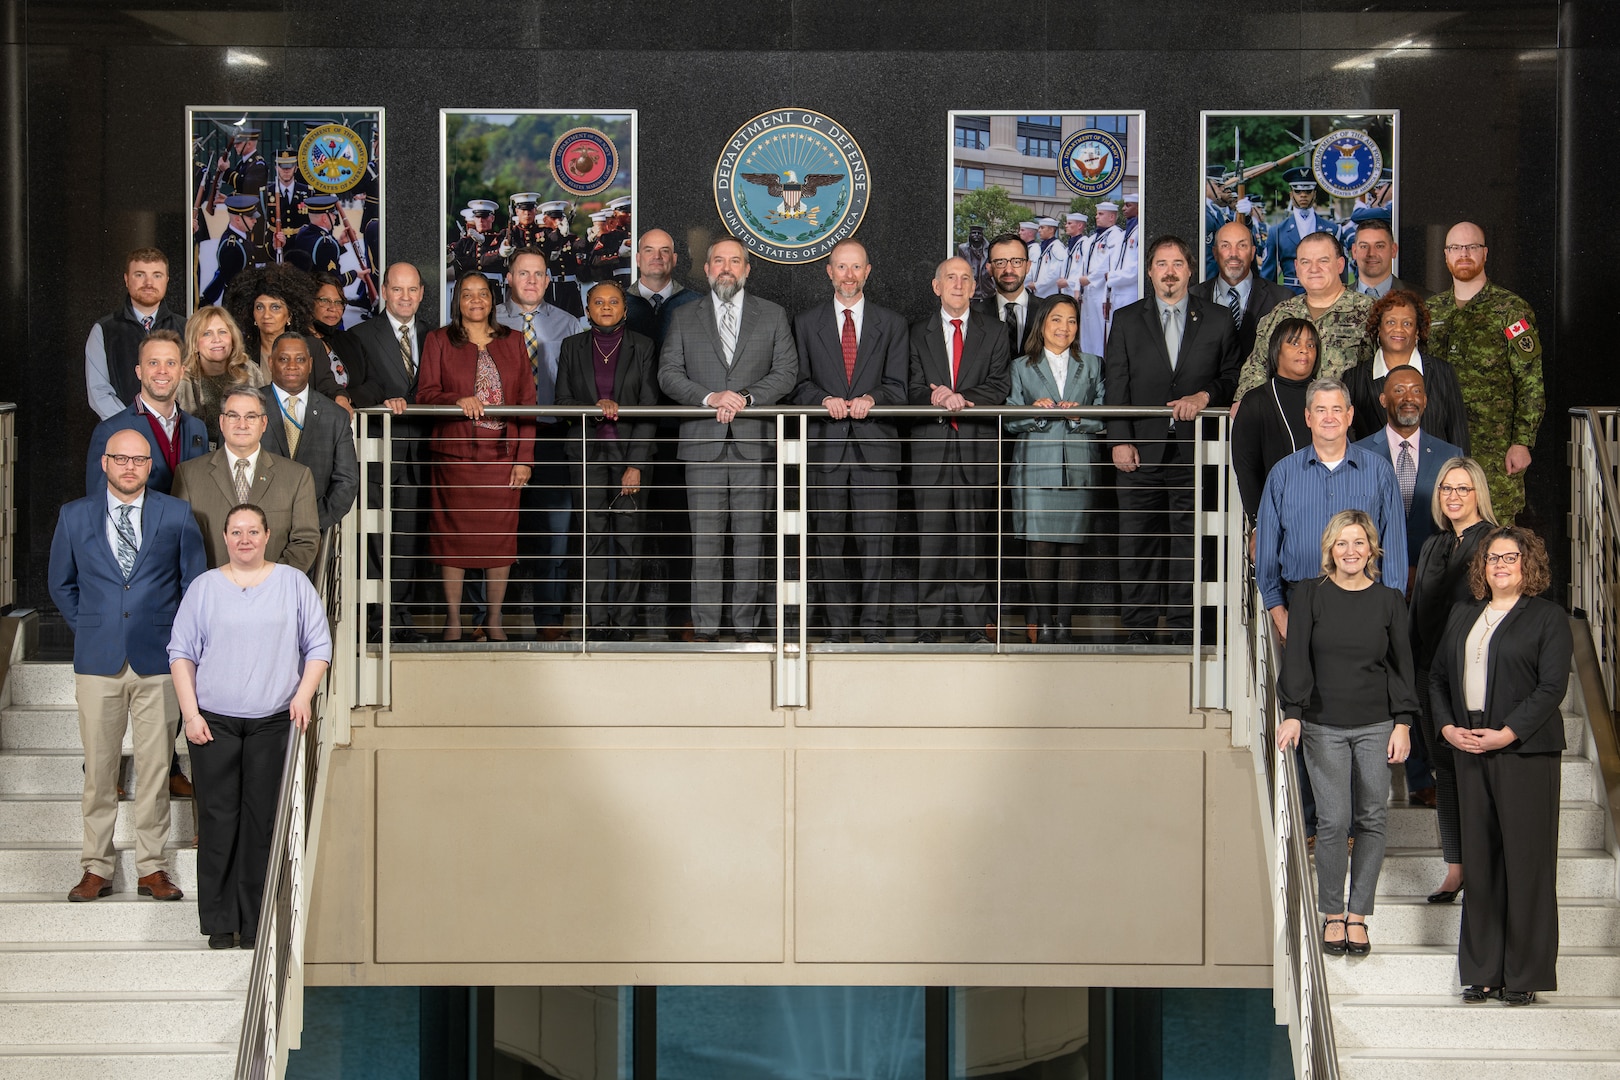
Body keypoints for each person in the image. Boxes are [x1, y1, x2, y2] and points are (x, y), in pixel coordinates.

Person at [49, 429, 207, 904]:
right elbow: (62, 584)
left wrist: (176, 641)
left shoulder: (177, 514)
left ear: (150, 466)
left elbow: (193, 585)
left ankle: (151, 868)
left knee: (157, 768)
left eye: (139, 460)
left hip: (158, 660)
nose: (130, 467)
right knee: (100, 771)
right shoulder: (74, 516)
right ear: (104, 463)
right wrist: (93, 627)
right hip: (97, 663)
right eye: (121, 458)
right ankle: (95, 867)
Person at [168, 504, 332, 949]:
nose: (245, 539)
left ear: (268, 535)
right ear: (224, 537)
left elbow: (318, 645)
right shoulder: (204, 588)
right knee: (219, 823)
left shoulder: (293, 584)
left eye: (253, 531)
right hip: (213, 724)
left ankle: (257, 922)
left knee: (261, 824)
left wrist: (303, 695)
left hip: (272, 721)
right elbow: (180, 653)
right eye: (236, 531)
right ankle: (221, 924)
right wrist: (190, 715)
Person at [1430, 526, 1571, 1005]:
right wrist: (1448, 728)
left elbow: (1551, 688)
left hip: (1523, 750)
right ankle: (1483, 970)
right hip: (1469, 747)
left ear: (1527, 564)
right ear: (1482, 566)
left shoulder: (1547, 618)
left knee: (1526, 862)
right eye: (1493, 558)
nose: (1501, 566)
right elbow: (1437, 679)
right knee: (1482, 863)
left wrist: (1508, 732)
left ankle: (1524, 973)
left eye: (1511, 558)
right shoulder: (1463, 613)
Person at [1276, 510, 1416, 957]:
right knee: (1334, 820)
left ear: (1372, 549)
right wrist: (1293, 711)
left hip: (1377, 724)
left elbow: (1401, 668)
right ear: (1329, 550)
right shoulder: (1309, 596)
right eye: (1342, 543)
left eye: (1359, 543)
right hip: (1323, 725)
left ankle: (1359, 915)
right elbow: (1296, 657)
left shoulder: (1390, 600)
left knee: (1373, 817)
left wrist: (1404, 723)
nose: (1350, 551)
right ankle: (1333, 913)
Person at [658, 237, 800, 643]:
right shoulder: (684, 317)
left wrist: (746, 399)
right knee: (705, 544)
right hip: (703, 445)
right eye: (718, 260)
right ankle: (705, 629)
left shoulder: (772, 315)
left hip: (754, 445)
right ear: (705, 269)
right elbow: (668, 373)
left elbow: (786, 371)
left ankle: (745, 628)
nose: (726, 267)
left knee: (751, 542)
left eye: (734, 261)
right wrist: (709, 398)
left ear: (747, 269)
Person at [1103, 235, 1240, 643]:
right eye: (1161, 264)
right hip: (1139, 450)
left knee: (1191, 544)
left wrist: (1204, 396)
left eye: (1177, 263)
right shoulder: (1127, 319)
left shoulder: (1217, 318)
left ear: (1190, 270)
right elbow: (1117, 384)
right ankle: (1139, 627)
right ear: (1149, 272)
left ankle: (1185, 628)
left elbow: (1232, 377)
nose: (1169, 272)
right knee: (1137, 542)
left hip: (1195, 450)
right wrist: (1118, 440)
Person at [789, 239, 910, 643]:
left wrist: (872, 399)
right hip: (825, 451)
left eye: (856, 267)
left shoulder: (891, 323)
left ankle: (874, 629)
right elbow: (798, 384)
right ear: (829, 271)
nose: (849, 275)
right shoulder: (806, 323)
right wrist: (823, 399)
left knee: (877, 547)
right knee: (828, 546)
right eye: (842, 267)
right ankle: (838, 629)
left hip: (876, 451)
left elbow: (899, 386)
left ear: (868, 271)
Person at [415, 272, 537, 642]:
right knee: (454, 540)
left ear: (493, 299)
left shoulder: (513, 341)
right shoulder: (439, 340)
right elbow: (425, 393)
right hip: (455, 459)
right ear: (457, 301)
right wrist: (455, 400)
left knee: (499, 541)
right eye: (467, 294)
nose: (475, 300)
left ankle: (494, 620)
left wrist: (524, 458)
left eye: (482, 293)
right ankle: (454, 621)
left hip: (502, 457)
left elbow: (528, 403)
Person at [906, 256, 1011, 643]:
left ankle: (973, 625)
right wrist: (936, 397)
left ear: (974, 287)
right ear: (937, 286)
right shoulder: (917, 332)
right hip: (930, 453)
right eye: (950, 277)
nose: (958, 284)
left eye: (966, 278)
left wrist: (960, 398)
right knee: (929, 546)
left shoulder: (996, 332)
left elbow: (1000, 387)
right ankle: (928, 625)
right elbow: (910, 387)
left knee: (973, 545)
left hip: (977, 451)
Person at [1255, 377, 1406, 644]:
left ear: (1349, 416)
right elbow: (1267, 559)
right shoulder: (1282, 475)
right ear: (1308, 417)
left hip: (1365, 608)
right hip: (1300, 607)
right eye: (1321, 410)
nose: (1329, 417)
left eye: (1337, 409)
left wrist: (1387, 618)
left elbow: (1393, 553)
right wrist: (1281, 618)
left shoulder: (1379, 471)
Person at [1408, 456, 1498, 901]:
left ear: (1478, 492)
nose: (1454, 497)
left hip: (1474, 674)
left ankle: (1483, 869)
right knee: (1443, 770)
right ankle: (1455, 868)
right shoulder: (1433, 545)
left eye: (1463, 488)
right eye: (1446, 489)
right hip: (1430, 672)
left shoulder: (1495, 544)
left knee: (1474, 771)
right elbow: (1418, 613)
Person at [555, 281, 660, 640]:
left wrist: (637, 465)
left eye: (613, 301)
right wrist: (594, 409)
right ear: (587, 310)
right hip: (586, 456)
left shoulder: (643, 347)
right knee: (592, 541)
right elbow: (562, 402)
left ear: (624, 310)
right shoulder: (572, 347)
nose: (605, 307)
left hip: (629, 455)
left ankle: (625, 623)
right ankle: (595, 622)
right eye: (597, 302)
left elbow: (649, 408)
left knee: (630, 543)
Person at [1426, 222, 1544, 522]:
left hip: (1494, 448)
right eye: (1455, 248)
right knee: (1442, 531)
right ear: (1445, 255)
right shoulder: (1430, 311)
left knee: (1496, 534)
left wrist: (1522, 442)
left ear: (1485, 253)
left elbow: (1530, 382)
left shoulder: (1510, 310)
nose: (1463, 254)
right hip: (1439, 443)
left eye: (1471, 247)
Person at [1006, 294, 1105, 644]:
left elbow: (1106, 414)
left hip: (1078, 465)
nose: (1065, 327)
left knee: (1072, 547)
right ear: (1042, 324)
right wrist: (1034, 411)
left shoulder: (1092, 364)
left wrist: (1082, 417)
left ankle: (1065, 623)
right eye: (1057, 320)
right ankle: (1044, 623)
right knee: (1039, 546)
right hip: (1036, 464)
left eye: (1072, 320)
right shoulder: (1021, 366)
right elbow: (1009, 419)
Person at [347, 262, 438, 643]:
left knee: (405, 541)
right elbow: (351, 388)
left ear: (421, 293)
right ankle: (371, 620)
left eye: (412, 290)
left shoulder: (434, 336)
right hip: (376, 454)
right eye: (397, 290)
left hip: (419, 456)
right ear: (384, 291)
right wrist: (383, 399)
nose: (405, 297)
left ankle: (398, 619)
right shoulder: (359, 335)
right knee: (372, 540)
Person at [495, 246, 581, 642]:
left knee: (555, 535)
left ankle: (549, 620)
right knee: (492, 532)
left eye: (539, 274)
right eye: (523, 273)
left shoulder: (569, 324)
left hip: (550, 436)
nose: (531, 281)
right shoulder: (488, 320)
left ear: (548, 280)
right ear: (509, 278)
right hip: (500, 437)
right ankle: (487, 619)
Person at [171, 386, 320, 572]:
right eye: (233, 416)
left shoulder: (297, 477)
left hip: (273, 595)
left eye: (251, 417)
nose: (242, 424)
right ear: (222, 421)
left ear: (264, 423)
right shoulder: (189, 475)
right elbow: (179, 542)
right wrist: (210, 585)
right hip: (211, 595)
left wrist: (272, 582)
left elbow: (305, 541)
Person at [1354, 366, 1464, 585]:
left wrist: (1424, 570)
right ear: (1383, 400)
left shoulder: (1450, 456)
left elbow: (1459, 525)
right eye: (1399, 390)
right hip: (1373, 579)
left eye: (1416, 391)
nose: (1408, 398)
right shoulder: (1358, 455)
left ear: (1425, 400)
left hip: (1434, 580)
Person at [1236, 231, 1374, 401]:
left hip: (1347, 419)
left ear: (1339, 265)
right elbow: (1257, 367)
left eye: (1323, 261)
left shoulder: (1368, 312)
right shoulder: (1282, 313)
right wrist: (1249, 403)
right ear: (1297, 267)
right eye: (1305, 262)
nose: (1314, 269)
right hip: (1287, 419)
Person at [85, 330, 209, 497]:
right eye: (153, 363)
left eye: (170, 363)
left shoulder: (197, 428)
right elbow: (98, 502)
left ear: (181, 371)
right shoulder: (111, 430)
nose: (162, 371)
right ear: (139, 371)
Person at [258, 332, 359, 532]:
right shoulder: (250, 408)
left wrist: (314, 522)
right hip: (258, 532)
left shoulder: (335, 416)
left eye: (300, 359)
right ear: (271, 363)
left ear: (310, 364)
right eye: (283, 359)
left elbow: (347, 480)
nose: (292, 366)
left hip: (314, 533)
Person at [1344, 290, 1469, 448]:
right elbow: (1348, 440)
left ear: (1417, 331)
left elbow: (1458, 434)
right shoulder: (1354, 378)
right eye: (1390, 322)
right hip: (1373, 471)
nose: (1399, 329)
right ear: (1378, 329)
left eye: (1407, 323)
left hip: (1435, 471)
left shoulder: (1442, 372)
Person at [1230, 318, 1320, 522]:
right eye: (1294, 343)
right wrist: (1256, 523)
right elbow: (1246, 469)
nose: (1304, 350)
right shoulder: (1256, 401)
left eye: (1311, 344)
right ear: (1276, 349)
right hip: (1277, 514)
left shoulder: (1329, 397)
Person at [85, 247, 186, 420]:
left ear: (167, 280)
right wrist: (133, 425)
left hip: (176, 434)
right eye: (139, 274)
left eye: (157, 275)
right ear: (126, 279)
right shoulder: (104, 330)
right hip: (124, 436)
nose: (148, 283)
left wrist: (170, 426)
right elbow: (99, 392)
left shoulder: (187, 328)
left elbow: (191, 389)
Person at [1190, 220, 1293, 361]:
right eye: (1225, 246)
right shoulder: (1192, 297)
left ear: (1252, 253)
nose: (1234, 254)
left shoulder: (1282, 299)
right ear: (1215, 253)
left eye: (1242, 245)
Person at [175, 306, 267, 449]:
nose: (217, 339)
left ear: (232, 338)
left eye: (223, 332)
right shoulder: (182, 379)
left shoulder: (251, 371)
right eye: (207, 334)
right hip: (198, 456)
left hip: (244, 451)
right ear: (194, 343)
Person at [223, 263, 316, 376]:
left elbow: (329, 389)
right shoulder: (241, 353)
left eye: (275, 307)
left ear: (290, 315)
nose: (266, 315)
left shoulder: (312, 348)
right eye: (259, 307)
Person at [1260, 167, 1333, 292]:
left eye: (1308, 191)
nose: (1303, 195)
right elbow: (1268, 275)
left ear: (1314, 194)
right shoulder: (1277, 231)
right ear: (1291, 194)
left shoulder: (1331, 229)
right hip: (1291, 294)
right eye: (1298, 191)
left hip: (1324, 292)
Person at [975, 233, 1038, 372]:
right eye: (1000, 263)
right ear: (989, 268)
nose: (1008, 270)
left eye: (1016, 262)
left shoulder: (1049, 312)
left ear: (1028, 266)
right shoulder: (974, 314)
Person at [629, 227, 700, 348]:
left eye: (665, 251)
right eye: (649, 250)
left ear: (674, 259)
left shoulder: (698, 304)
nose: (657, 256)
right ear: (638, 259)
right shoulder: (618, 304)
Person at [306, 271, 362, 413]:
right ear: (309, 302)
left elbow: (375, 385)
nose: (333, 308)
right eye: (324, 301)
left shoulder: (350, 340)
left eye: (338, 302)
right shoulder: (297, 342)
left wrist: (345, 398)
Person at [200, 194, 264, 307]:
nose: (255, 221)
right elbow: (232, 283)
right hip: (237, 305)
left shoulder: (242, 235)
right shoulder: (231, 247)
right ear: (238, 219)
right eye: (251, 218)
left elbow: (255, 254)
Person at [1077, 202, 1122, 356]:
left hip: (1101, 290)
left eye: (1100, 214)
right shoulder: (1093, 238)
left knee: (1100, 330)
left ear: (1112, 217)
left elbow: (1108, 262)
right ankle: (1088, 359)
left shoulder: (1116, 235)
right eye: (1097, 213)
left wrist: (1090, 278)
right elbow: (1084, 262)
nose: (1096, 217)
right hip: (1088, 291)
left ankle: (1100, 363)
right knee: (1088, 329)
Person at [1350, 216, 1430, 300]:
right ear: (1354, 251)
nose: (1371, 253)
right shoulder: (1336, 300)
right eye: (1364, 246)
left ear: (1393, 250)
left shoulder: (1424, 300)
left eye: (1379, 246)